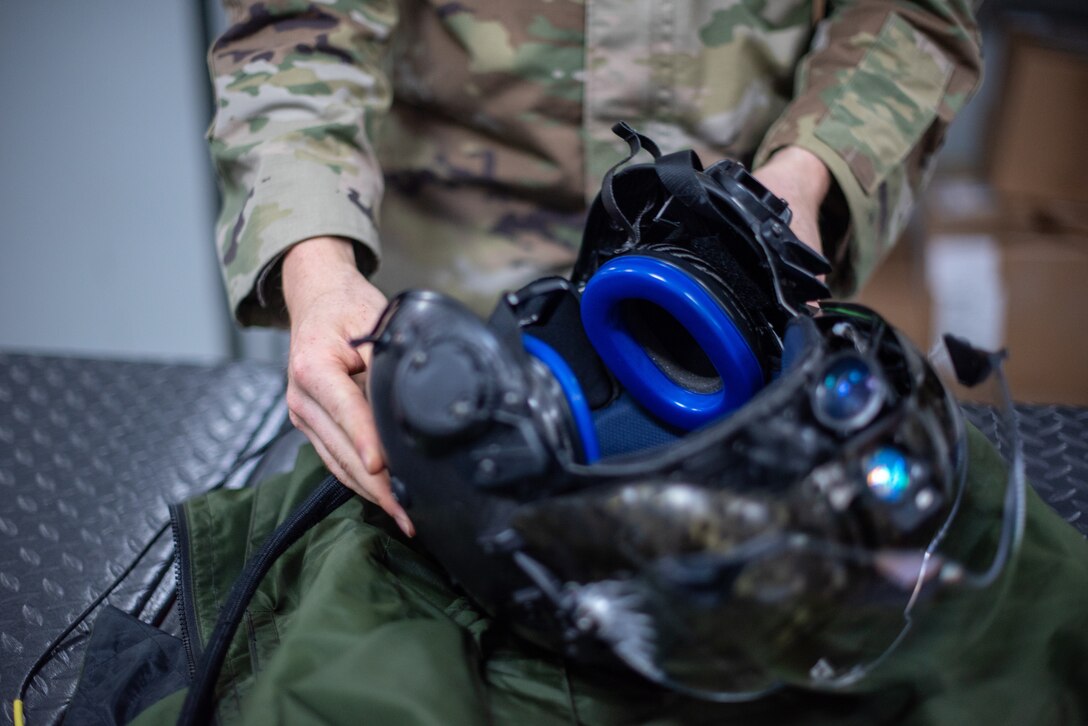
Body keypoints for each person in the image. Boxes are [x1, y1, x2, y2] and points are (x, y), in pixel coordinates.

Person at [206, 0, 982, 537]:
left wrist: (806, 176)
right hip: (432, 307)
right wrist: (315, 268)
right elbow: (295, 27)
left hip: (729, 301)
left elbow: (914, 13)